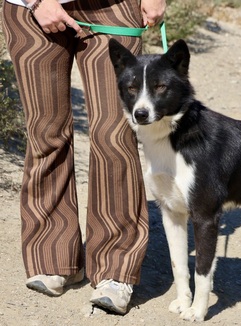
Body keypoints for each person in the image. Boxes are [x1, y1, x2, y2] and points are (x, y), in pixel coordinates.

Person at [2, 0, 166, 315]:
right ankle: (54, 257)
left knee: (114, 135)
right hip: (30, 11)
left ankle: (116, 269)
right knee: (46, 133)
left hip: (112, 6)